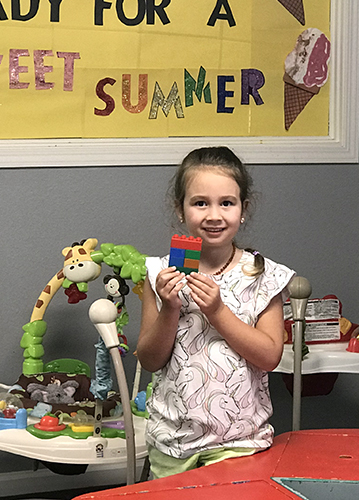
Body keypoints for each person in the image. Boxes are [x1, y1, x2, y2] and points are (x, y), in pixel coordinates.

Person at [138, 146, 294, 479]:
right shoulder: (157, 274)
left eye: (226, 202)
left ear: (243, 209)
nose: (214, 215)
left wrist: (218, 311)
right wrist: (169, 308)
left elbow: (270, 356)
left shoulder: (263, 276)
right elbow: (149, 360)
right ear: (180, 209)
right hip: (173, 444)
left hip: (241, 443)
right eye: (200, 203)